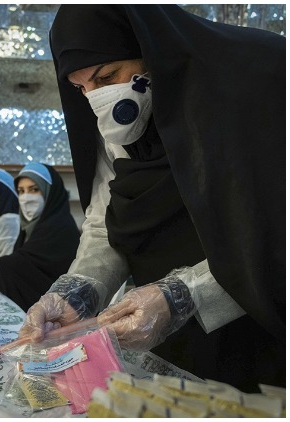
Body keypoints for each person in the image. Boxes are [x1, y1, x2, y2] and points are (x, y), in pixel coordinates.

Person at [15, 5, 284, 392]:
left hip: (262, 321)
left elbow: (276, 225)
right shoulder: (121, 119)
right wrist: (80, 288)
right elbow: (109, 213)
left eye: (107, 76)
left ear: (151, 46)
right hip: (165, 334)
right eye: (81, 89)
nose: (98, 99)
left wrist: (186, 295)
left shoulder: (261, 79)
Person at [0, 163, 81, 311]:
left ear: (50, 191)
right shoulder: (29, 228)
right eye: (21, 191)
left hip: (62, 313)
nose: (26, 197)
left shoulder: (60, 229)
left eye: (34, 190)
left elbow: (17, 266)